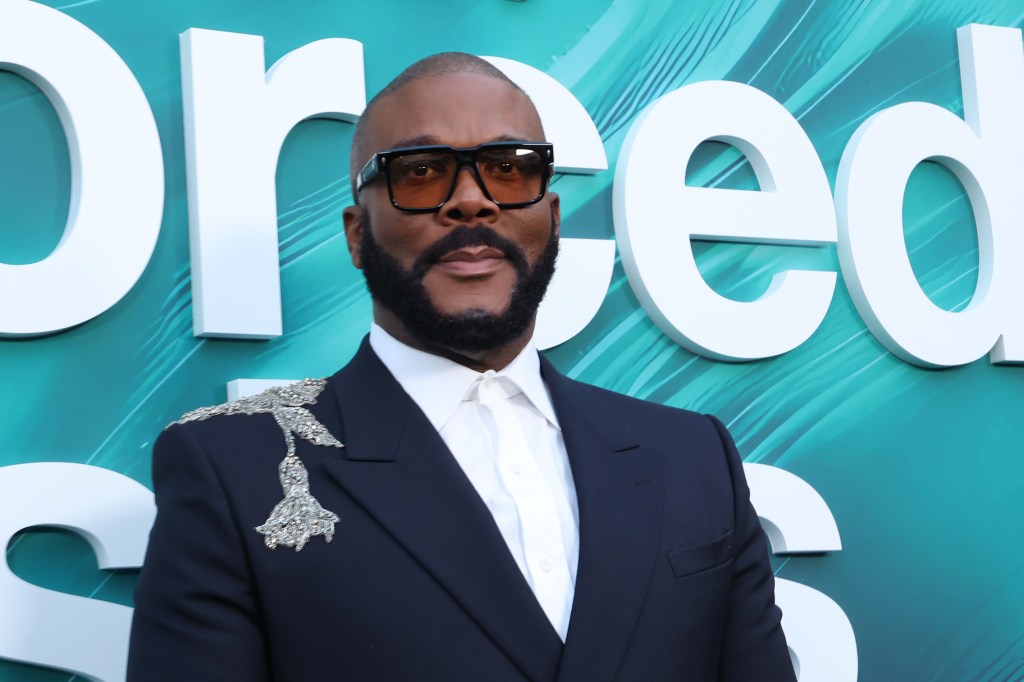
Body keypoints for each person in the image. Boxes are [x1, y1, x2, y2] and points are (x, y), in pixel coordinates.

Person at [128, 52, 795, 681]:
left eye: (509, 167)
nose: (472, 200)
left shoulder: (693, 456)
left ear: (552, 218)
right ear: (357, 234)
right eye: (420, 171)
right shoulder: (231, 466)